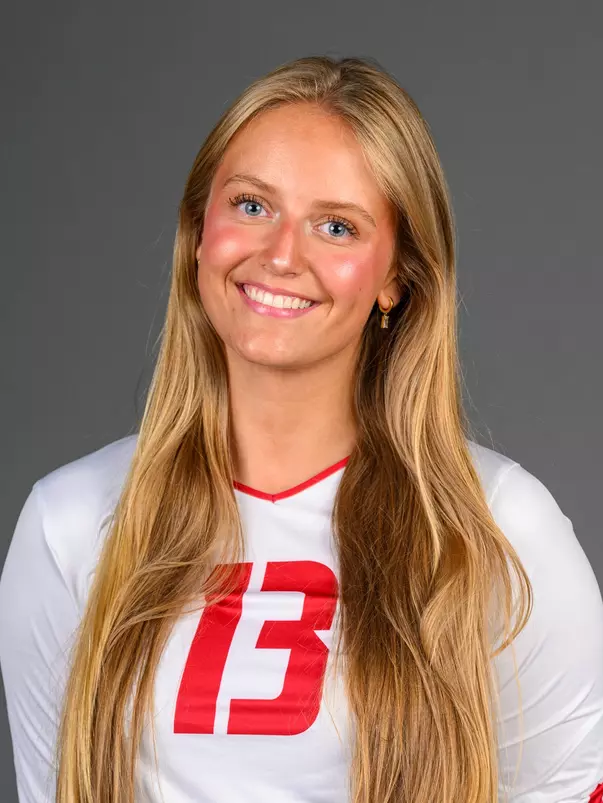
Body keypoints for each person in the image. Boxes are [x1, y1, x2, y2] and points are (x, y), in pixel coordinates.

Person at [0, 54, 602, 803]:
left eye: (336, 225)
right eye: (251, 205)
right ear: (198, 235)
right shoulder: (69, 522)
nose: (281, 255)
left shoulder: (499, 529)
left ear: (395, 276)